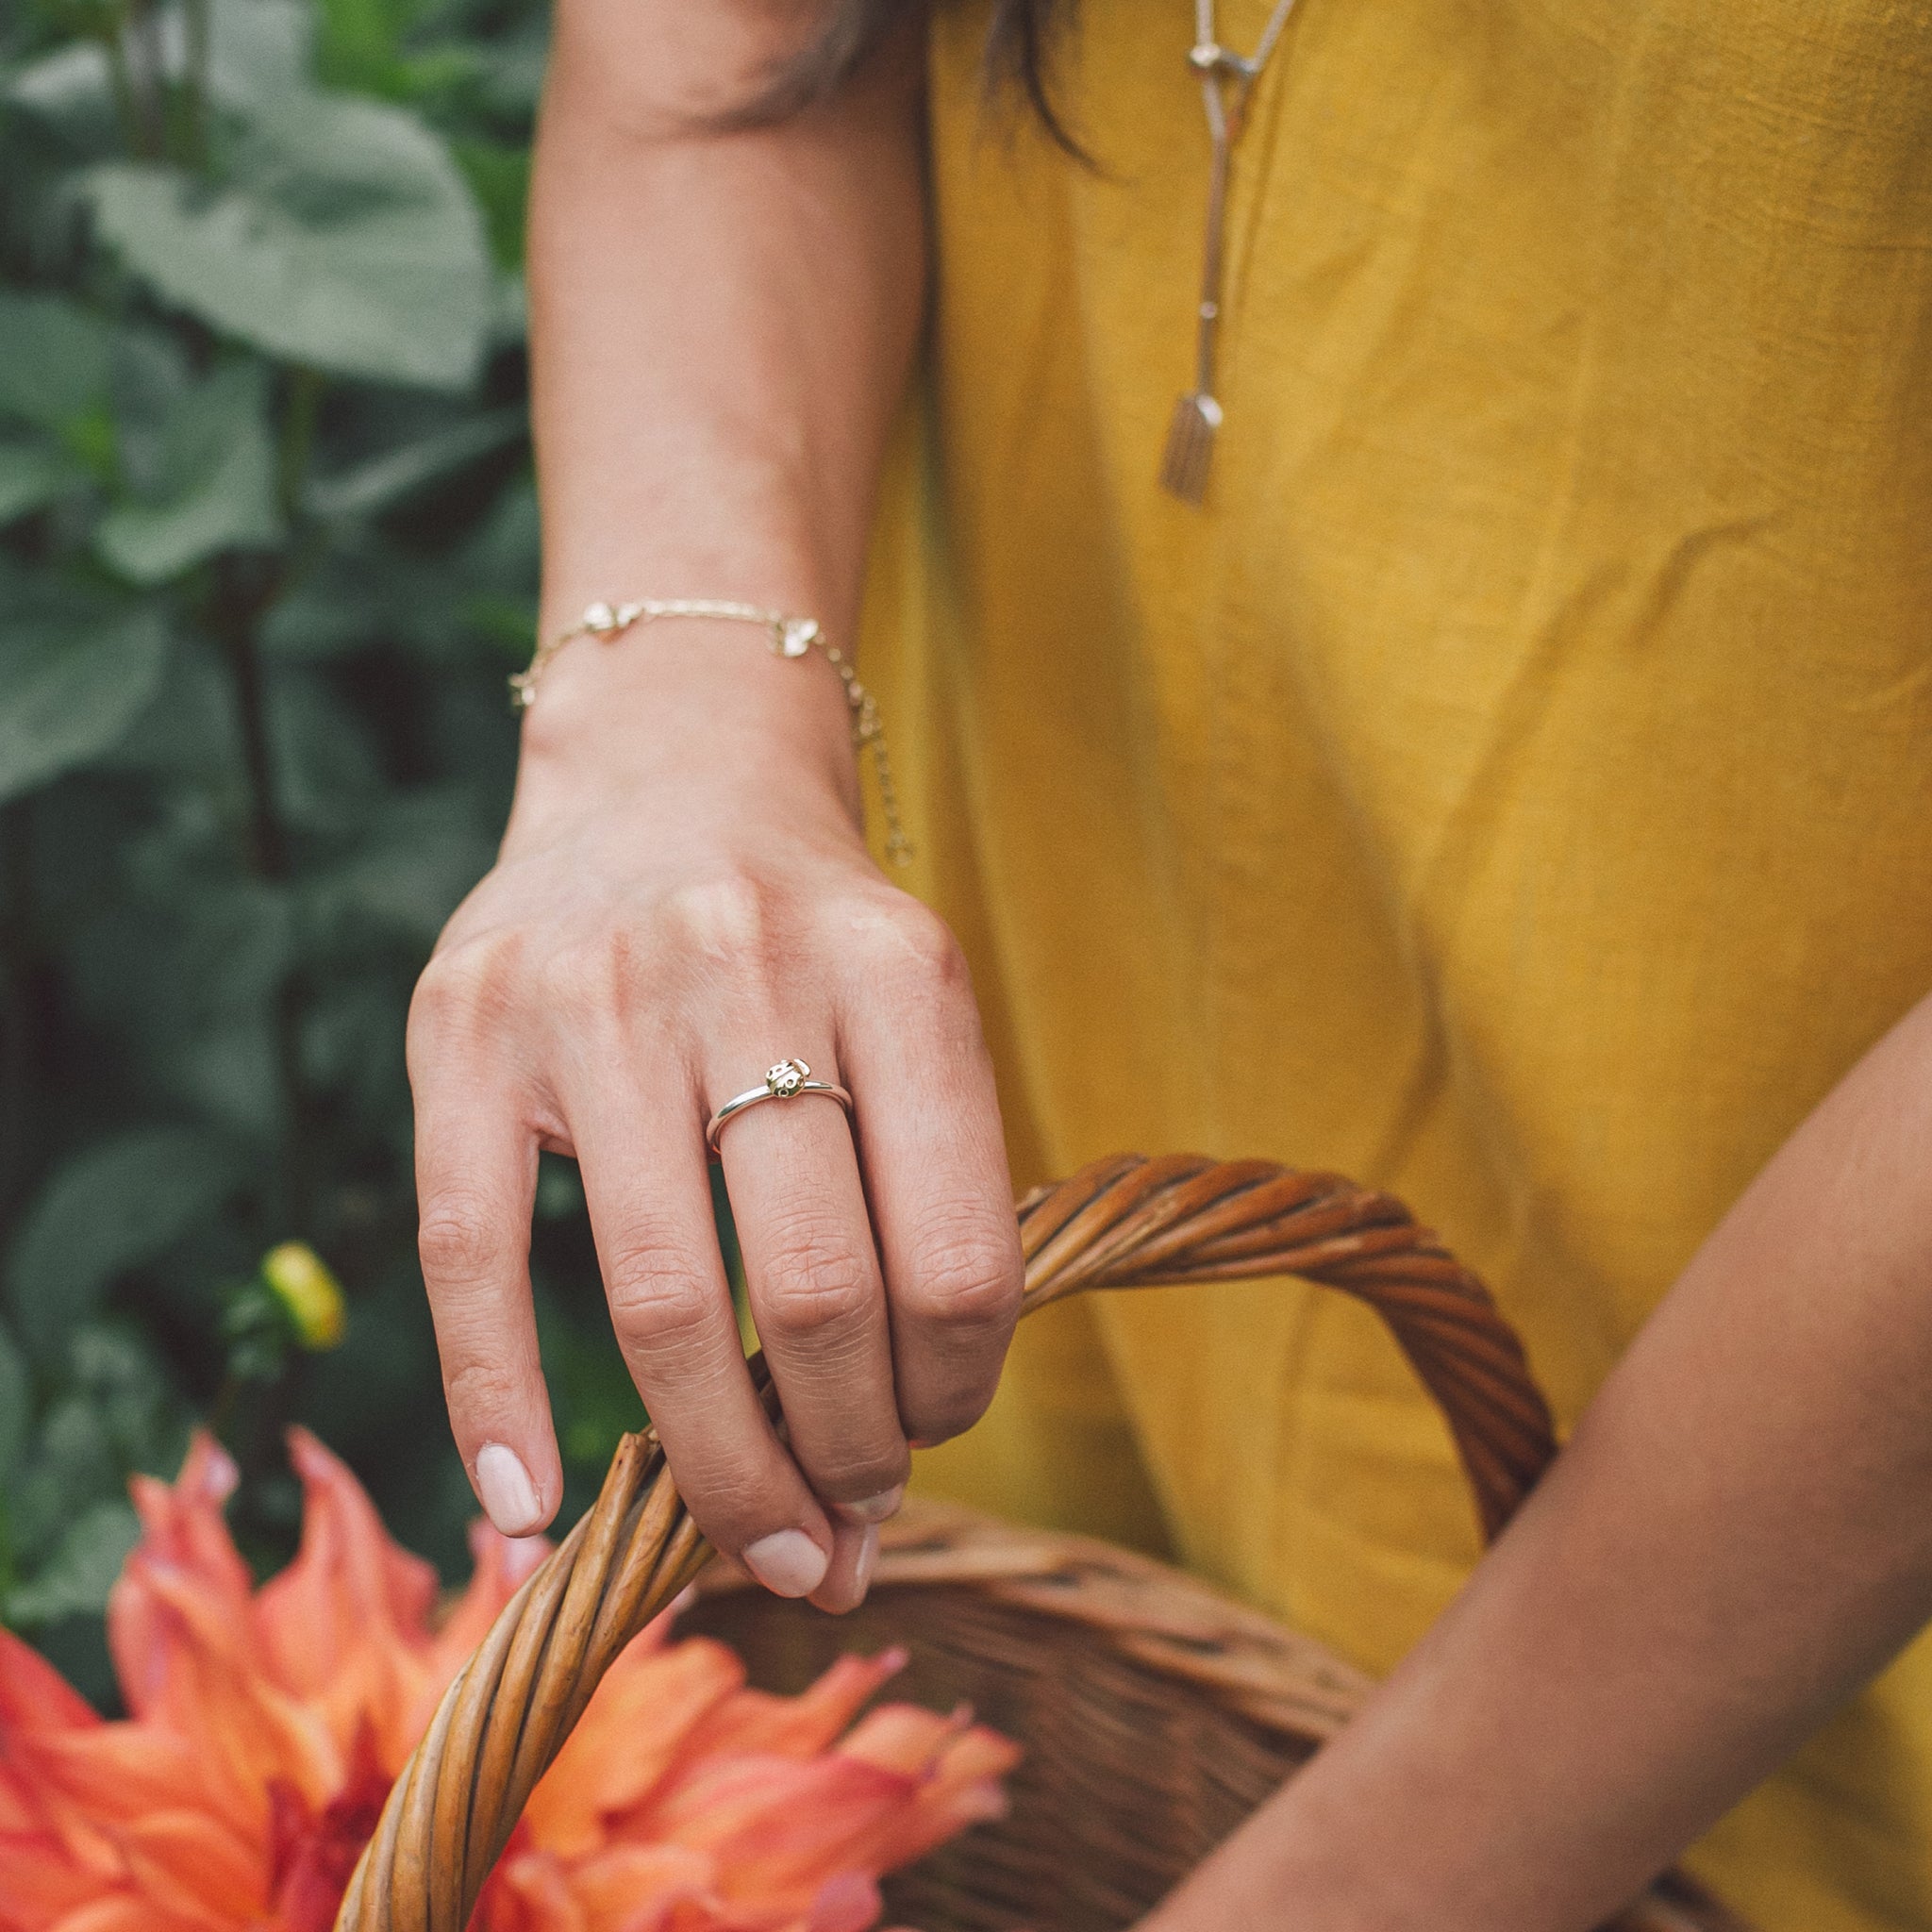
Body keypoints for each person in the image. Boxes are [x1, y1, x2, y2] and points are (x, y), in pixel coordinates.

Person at [404, 3, 1932, 1927]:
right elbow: (732, 64)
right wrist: (682, 717)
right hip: (1047, 1127)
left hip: (1805, 1475)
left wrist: (1365, 1884)